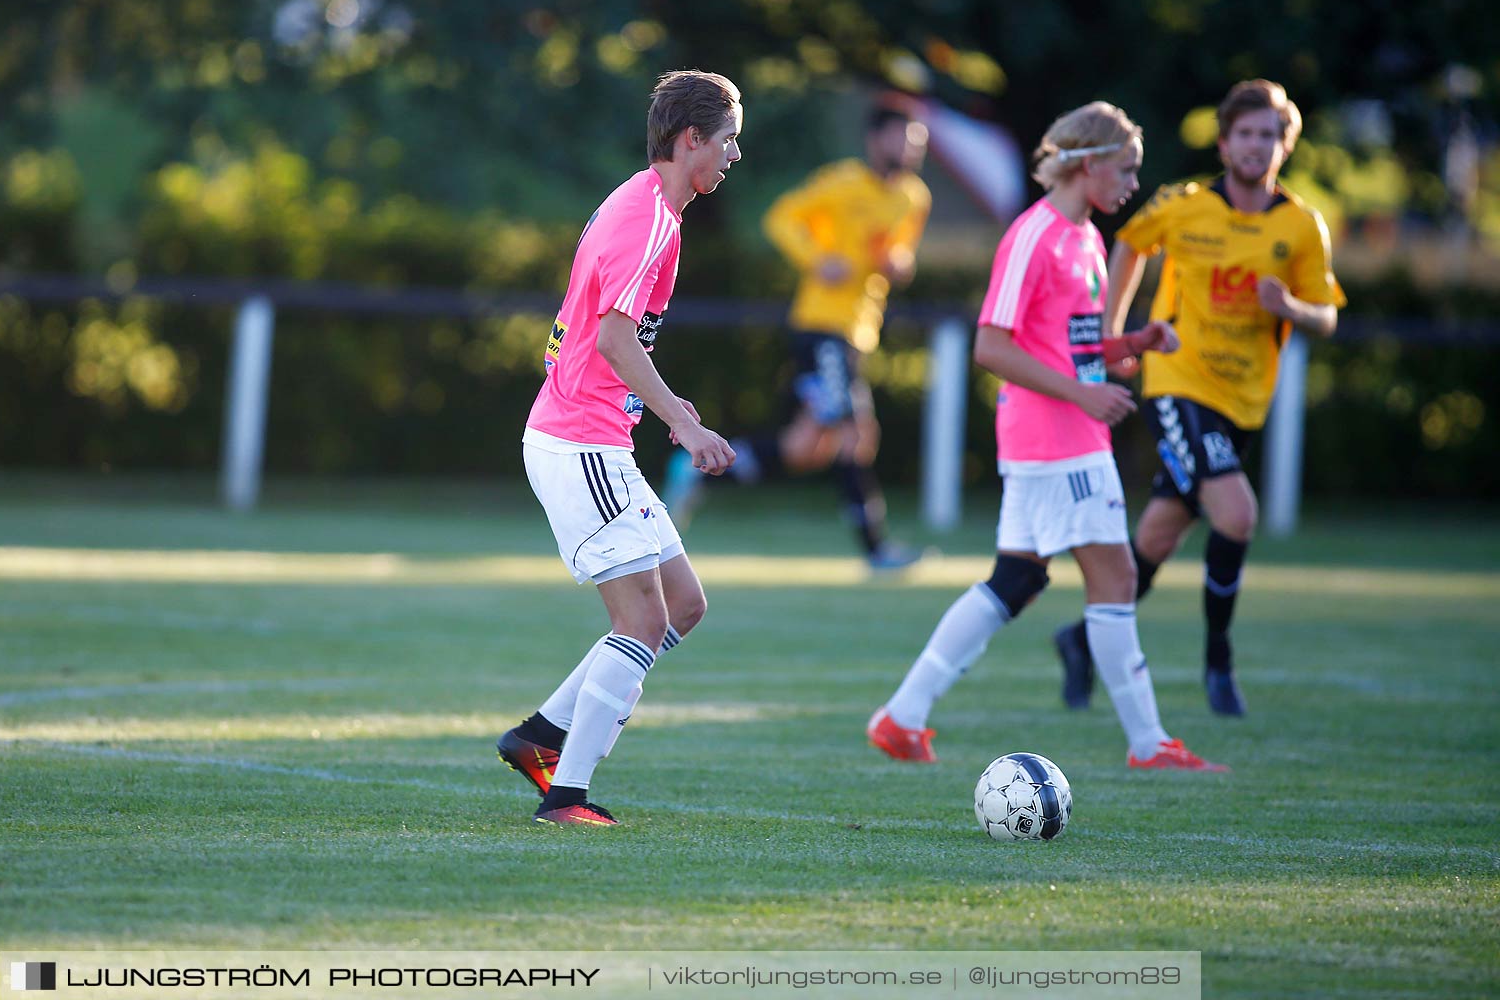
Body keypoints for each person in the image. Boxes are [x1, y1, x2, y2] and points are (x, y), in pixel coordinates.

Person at [867, 101, 1227, 772]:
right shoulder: (1033, 234)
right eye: (1125, 168)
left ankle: (902, 716)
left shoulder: (1087, 238)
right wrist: (1084, 393)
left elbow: (1075, 353)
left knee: (1018, 578)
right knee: (1115, 576)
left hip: (1062, 432)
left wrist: (1134, 343)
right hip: (1058, 438)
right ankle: (1150, 744)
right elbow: (991, 346)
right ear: (1086, 163)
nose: (1131, 184)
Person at [495, 70, 743, 826]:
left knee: (684, 607)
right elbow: (611, 335)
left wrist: (662, 405)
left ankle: (538, 737)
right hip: (581, 445)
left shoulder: (649, 206)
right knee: (639, 622)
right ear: (690, 139)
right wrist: (684, 424)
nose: (736, 153)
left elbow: (608, 337)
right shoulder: (647, 218)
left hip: (594, 437)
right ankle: (565, 795)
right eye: (728, 137)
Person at [1052, 80, 1345, 717]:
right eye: (1244, 133)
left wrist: (1290, 307)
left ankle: (1077, 641)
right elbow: (1128, 242)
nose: (1255, 145)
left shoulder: (1300, 225)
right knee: (1236, 514)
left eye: (1268, 135)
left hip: (1244, 400)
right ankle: (1219, 664)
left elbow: (1326, 316)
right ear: (1224, 142)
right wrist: (1112, 335)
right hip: (1178, 382)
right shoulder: (1184, 205)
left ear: (1284, 145)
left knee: (1157, 537)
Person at [663, 103, 931, 569]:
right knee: (854, 435)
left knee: (804, 449)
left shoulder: (914, 197)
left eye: (917, 141)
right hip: (821, 326)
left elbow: (899, 252)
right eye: (901, 137)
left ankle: (699, 470)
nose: (909, 148)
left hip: (858, 332)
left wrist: (900, 264)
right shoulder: (843, 182)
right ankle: (877, 550)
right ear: (876, 139)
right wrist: (817, 258)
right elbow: (783, 218)